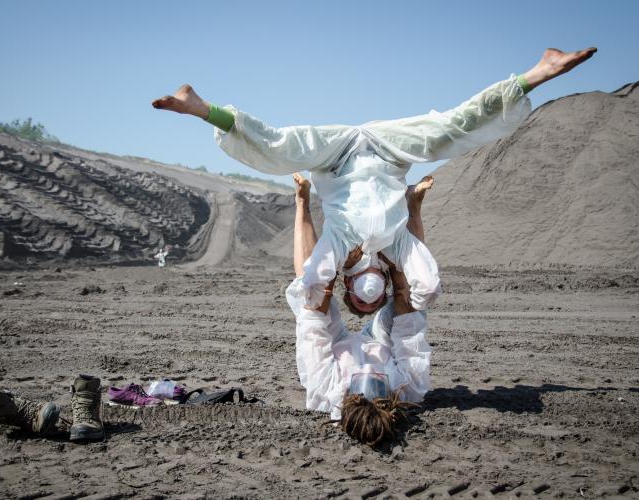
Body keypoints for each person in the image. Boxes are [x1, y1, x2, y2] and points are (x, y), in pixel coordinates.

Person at [152, 48, 597, 315]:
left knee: (278, 150)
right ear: (385, 284)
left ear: (347, 288)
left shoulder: (339, 252)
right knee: (450, 130)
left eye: (360, 299)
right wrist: (409, 296)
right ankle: (538, 73)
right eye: (375, 297)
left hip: (337, 155)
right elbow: (428, 282)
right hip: (387, 148)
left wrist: (317, 285)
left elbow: (304, 281)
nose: (368, 288)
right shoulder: (396, 248)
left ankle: (201, 108)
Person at [288, 172, 433, 446]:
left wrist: (334, 264)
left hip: (337, 344)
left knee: (310, 289)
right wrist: (393, 266)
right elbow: (409, 332)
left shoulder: (324, 388)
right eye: (375, 391)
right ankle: (412, 206)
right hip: (382, 341)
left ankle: (303, 203)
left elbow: (313, 329)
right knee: (413, 295)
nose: (367, 382)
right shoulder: (409, 388)